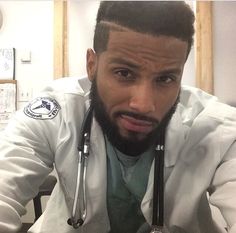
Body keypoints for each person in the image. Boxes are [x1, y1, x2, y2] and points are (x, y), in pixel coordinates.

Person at [0, 1, 236, 233]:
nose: (144, 104)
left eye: (165, 79)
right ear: (92, 65)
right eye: (124, 73)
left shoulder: (215, 126)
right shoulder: (58, 110)